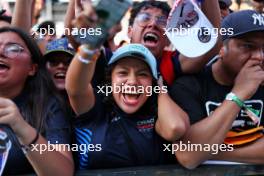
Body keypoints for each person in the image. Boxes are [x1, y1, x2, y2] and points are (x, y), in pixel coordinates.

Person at [65, 43, 189, 169]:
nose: (132, 81)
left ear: (153, 83)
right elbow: (75, 89)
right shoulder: (97, 108)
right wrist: (90, 45)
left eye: (142, 74)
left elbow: (175, 127)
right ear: (110, 79)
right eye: (123, 73)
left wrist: (161, 89)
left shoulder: (157, 112)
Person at [169, 10, 264, 169]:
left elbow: (192, 152)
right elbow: (190, 155)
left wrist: (209, 152)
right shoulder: (189, 85)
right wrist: (238, 94)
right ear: (221, 48)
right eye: (248, 46)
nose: (260, 56)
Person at [65, 0, 221, 86]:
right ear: (130, 31)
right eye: (145, 18)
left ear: (168, 38)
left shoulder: (171, 63)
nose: (153, 24)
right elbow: (78, 40)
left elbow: (210, 43)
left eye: (161, 21)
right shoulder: (111, 59)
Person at [0, 27, 74, 175]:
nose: (1, 52)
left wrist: (20, 126)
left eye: (13, 48)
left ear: (32, 68)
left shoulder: (48, 107)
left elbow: (62, 173)